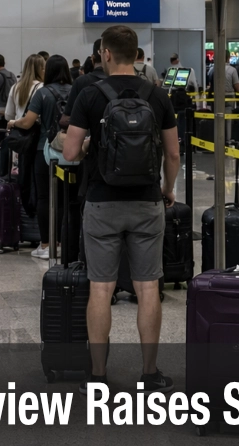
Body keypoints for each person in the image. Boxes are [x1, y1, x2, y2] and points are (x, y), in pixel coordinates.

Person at [63, 24, 180, 395]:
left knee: (101, 288)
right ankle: (149, 373)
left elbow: (69, 153)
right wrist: (167, 189)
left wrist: (86, 151)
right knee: (148, 288)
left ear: (105, 54)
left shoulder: (90, 94)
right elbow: (173, 153)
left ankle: (97, 376)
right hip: (147, 201)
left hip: (102, 201)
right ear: (137, 54)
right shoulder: (158, 96)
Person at [10, 55, 73, 260]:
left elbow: (28, 122)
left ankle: (46, 244)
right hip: (70, 150)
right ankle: (64, 242)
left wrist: (13, 123)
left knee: (45, 197)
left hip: (44, 151)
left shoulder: (43, 93)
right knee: (66, 199)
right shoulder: (76, 91)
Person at [6, 54, 45, 127]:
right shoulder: (42, 88)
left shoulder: (15, 87)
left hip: (18, 131)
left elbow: (8, 115)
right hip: (35, 131)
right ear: (41, 69)